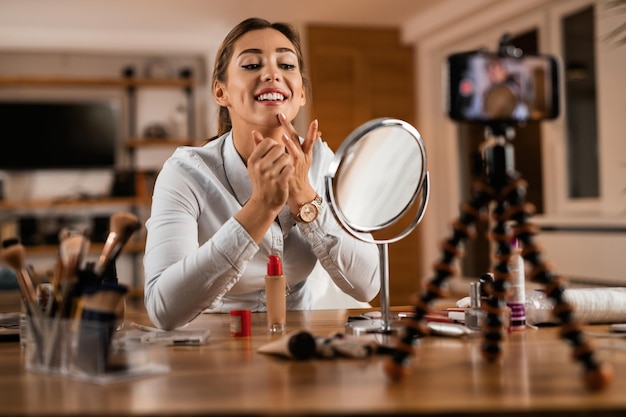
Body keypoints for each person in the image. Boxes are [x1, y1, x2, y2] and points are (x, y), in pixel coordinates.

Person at [143, 17, 380, 330]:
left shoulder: (323, 162)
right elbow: (163, 308)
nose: (272, 73)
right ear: (220, 91)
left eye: (286, 64)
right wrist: (260, 208)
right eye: (252, 65)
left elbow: (369, 285)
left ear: (301, 94)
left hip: (299, 341)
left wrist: (305, 198)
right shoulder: (185, 173)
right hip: (210, 345)